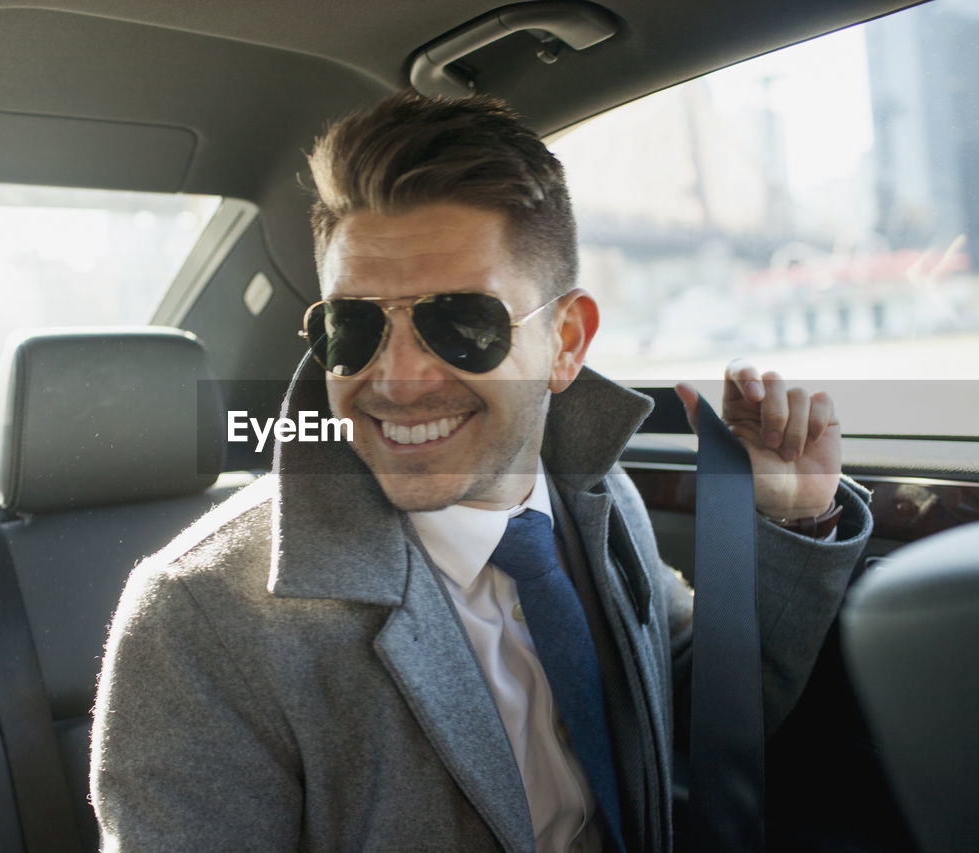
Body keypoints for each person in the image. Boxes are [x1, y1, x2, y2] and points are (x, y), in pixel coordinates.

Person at [90, 91, 872, 852]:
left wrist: (792, 521)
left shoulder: (598, 496)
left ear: (566, 341)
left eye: (459, 323)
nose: (395, 379)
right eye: (353, 325)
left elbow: (687, 718)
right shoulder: (200, 618)